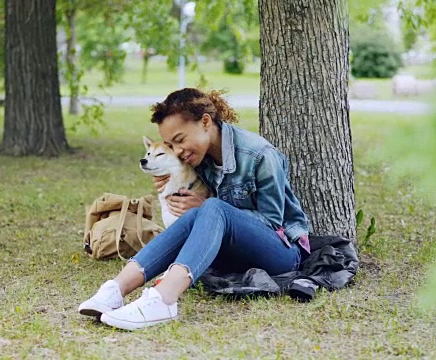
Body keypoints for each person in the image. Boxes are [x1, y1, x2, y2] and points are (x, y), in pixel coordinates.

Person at [78, 88, 311, 330]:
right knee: (205, 210)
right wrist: (169, 177)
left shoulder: (260, 155)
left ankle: (165, 299)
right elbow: (180, 177)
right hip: (233, 252)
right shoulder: (199, 157)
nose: (178, 151)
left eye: (180, 140)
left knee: (211, 207)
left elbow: (274, 223)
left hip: (283, 253)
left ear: (206, 122)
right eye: (171, 145)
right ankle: (116, 289)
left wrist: (211, 207)